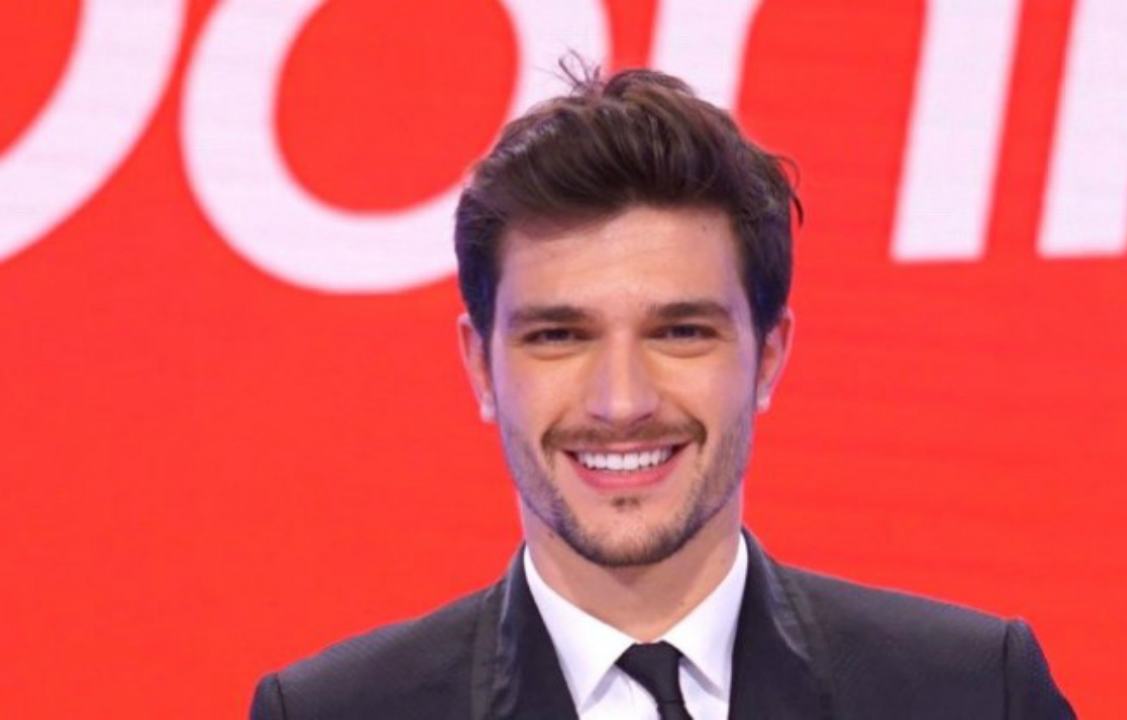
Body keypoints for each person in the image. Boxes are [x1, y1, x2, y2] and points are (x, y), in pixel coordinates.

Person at [249, 63, 1075, 720]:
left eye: (680, 332)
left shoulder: (972, 692)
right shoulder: (334, 711)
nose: (621, 402)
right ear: (481, 367)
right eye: (558, 336)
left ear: (769, 356)